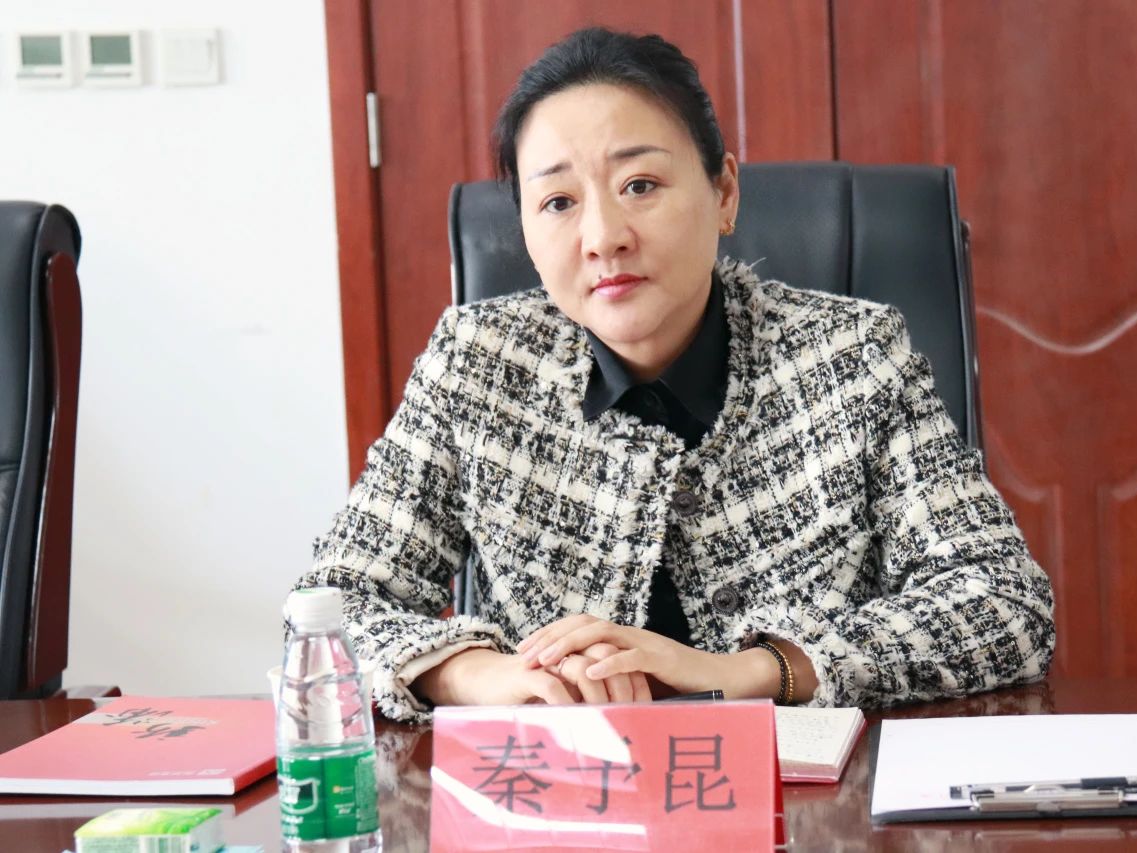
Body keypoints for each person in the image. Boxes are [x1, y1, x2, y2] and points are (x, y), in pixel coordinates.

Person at [294, 27, 1055, 723]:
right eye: (557, 201)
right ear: (524, 229)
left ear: (723, 193)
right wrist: (482, 675)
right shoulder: (477, 364)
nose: (603, 237)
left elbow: (1005, 604)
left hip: (807, 804)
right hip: (562, 800)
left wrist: (749, 670)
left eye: (640, 185)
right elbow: (329, 607)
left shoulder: (851, 356)